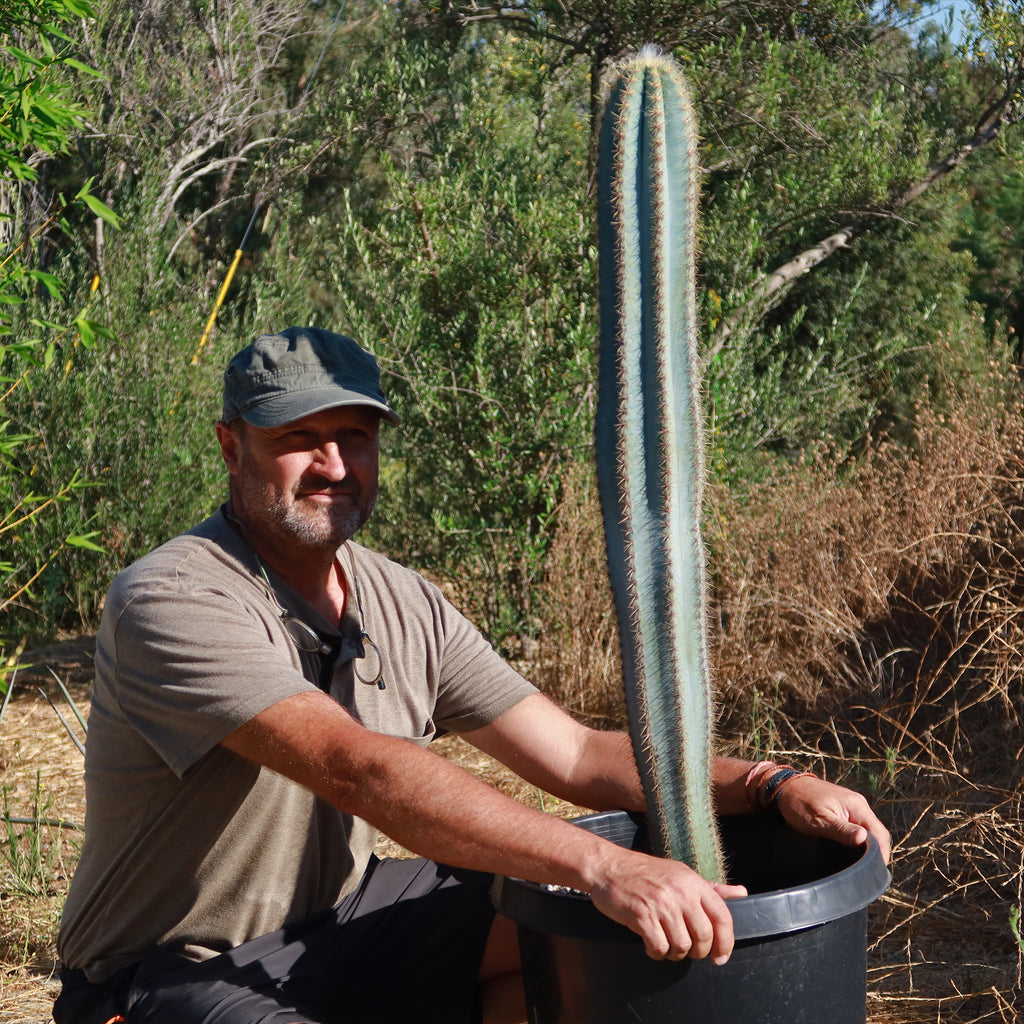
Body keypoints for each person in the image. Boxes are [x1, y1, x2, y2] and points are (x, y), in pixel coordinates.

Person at [55, 327, 890, 1024]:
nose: (334, 464)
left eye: (355, 436)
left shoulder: (401, 598)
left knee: (580, 948)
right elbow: (356, 768)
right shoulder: (174, 597)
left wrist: (769, 783)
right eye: (299, 439)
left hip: (346, 918)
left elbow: (572, 754)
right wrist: (605, 868)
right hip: (172, 970)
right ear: (231, 446)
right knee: (590, 896)